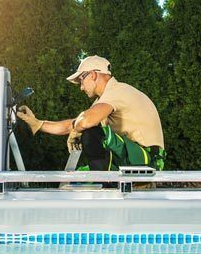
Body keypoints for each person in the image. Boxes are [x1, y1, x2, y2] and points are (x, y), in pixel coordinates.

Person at [16, 55, 165, 171]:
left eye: (81, 80)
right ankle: (100, 180)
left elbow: (85, 122)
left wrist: (78, 129)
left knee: (91, 131)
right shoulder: (105, 100)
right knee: (79, 177)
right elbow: (73, 124)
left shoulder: (117, 91)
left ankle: (103, 182)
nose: (81, 87)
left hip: (148, 160)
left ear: (92, 75)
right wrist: (38, 123)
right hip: (133, 158)